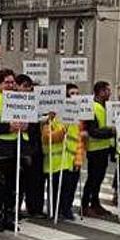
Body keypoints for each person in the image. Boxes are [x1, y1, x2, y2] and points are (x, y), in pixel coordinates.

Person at [0, 69, 29, 231]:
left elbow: (30, 118)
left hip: (18, 147)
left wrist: (26, 125)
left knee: (15, 186)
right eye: (6, 82)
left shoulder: (21, 99)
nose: (10, 85)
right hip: (0, 148)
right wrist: (8, 127)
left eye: (12, 82)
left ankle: (10, 215)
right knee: (1, 186)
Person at [42, 86, 84, 221]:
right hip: (55, 162)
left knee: (69, 188)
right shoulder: (52, 118)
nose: (75, 96)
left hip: (70, 160)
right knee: (55, 188)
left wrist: (78, 160)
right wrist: (62, 131)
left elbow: (78, 141)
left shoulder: (76, 119)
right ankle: (54, 210)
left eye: (78, 93)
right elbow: (47, 138)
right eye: (72, 93)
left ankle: (66, 210)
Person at [15, 74, 46, 218]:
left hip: (35, 145)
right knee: (19, 181)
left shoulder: (35, 102)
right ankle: (15, 209)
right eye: (25, 86)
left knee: (36, 179)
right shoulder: (12, 102)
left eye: (30, 86)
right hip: (20, 145)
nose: (29, 89)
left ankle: (35, 208)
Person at [83, 81, 115, 218]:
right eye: (107, 91)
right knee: (92, 178)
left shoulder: (105, 107)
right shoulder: (93, 108)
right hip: (95, 149)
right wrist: (111, 132)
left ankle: (95, 203)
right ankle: (85, 205)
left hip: (104, 148)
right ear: (101, 92)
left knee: (99, 178)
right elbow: (93, 131)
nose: (110, 93)